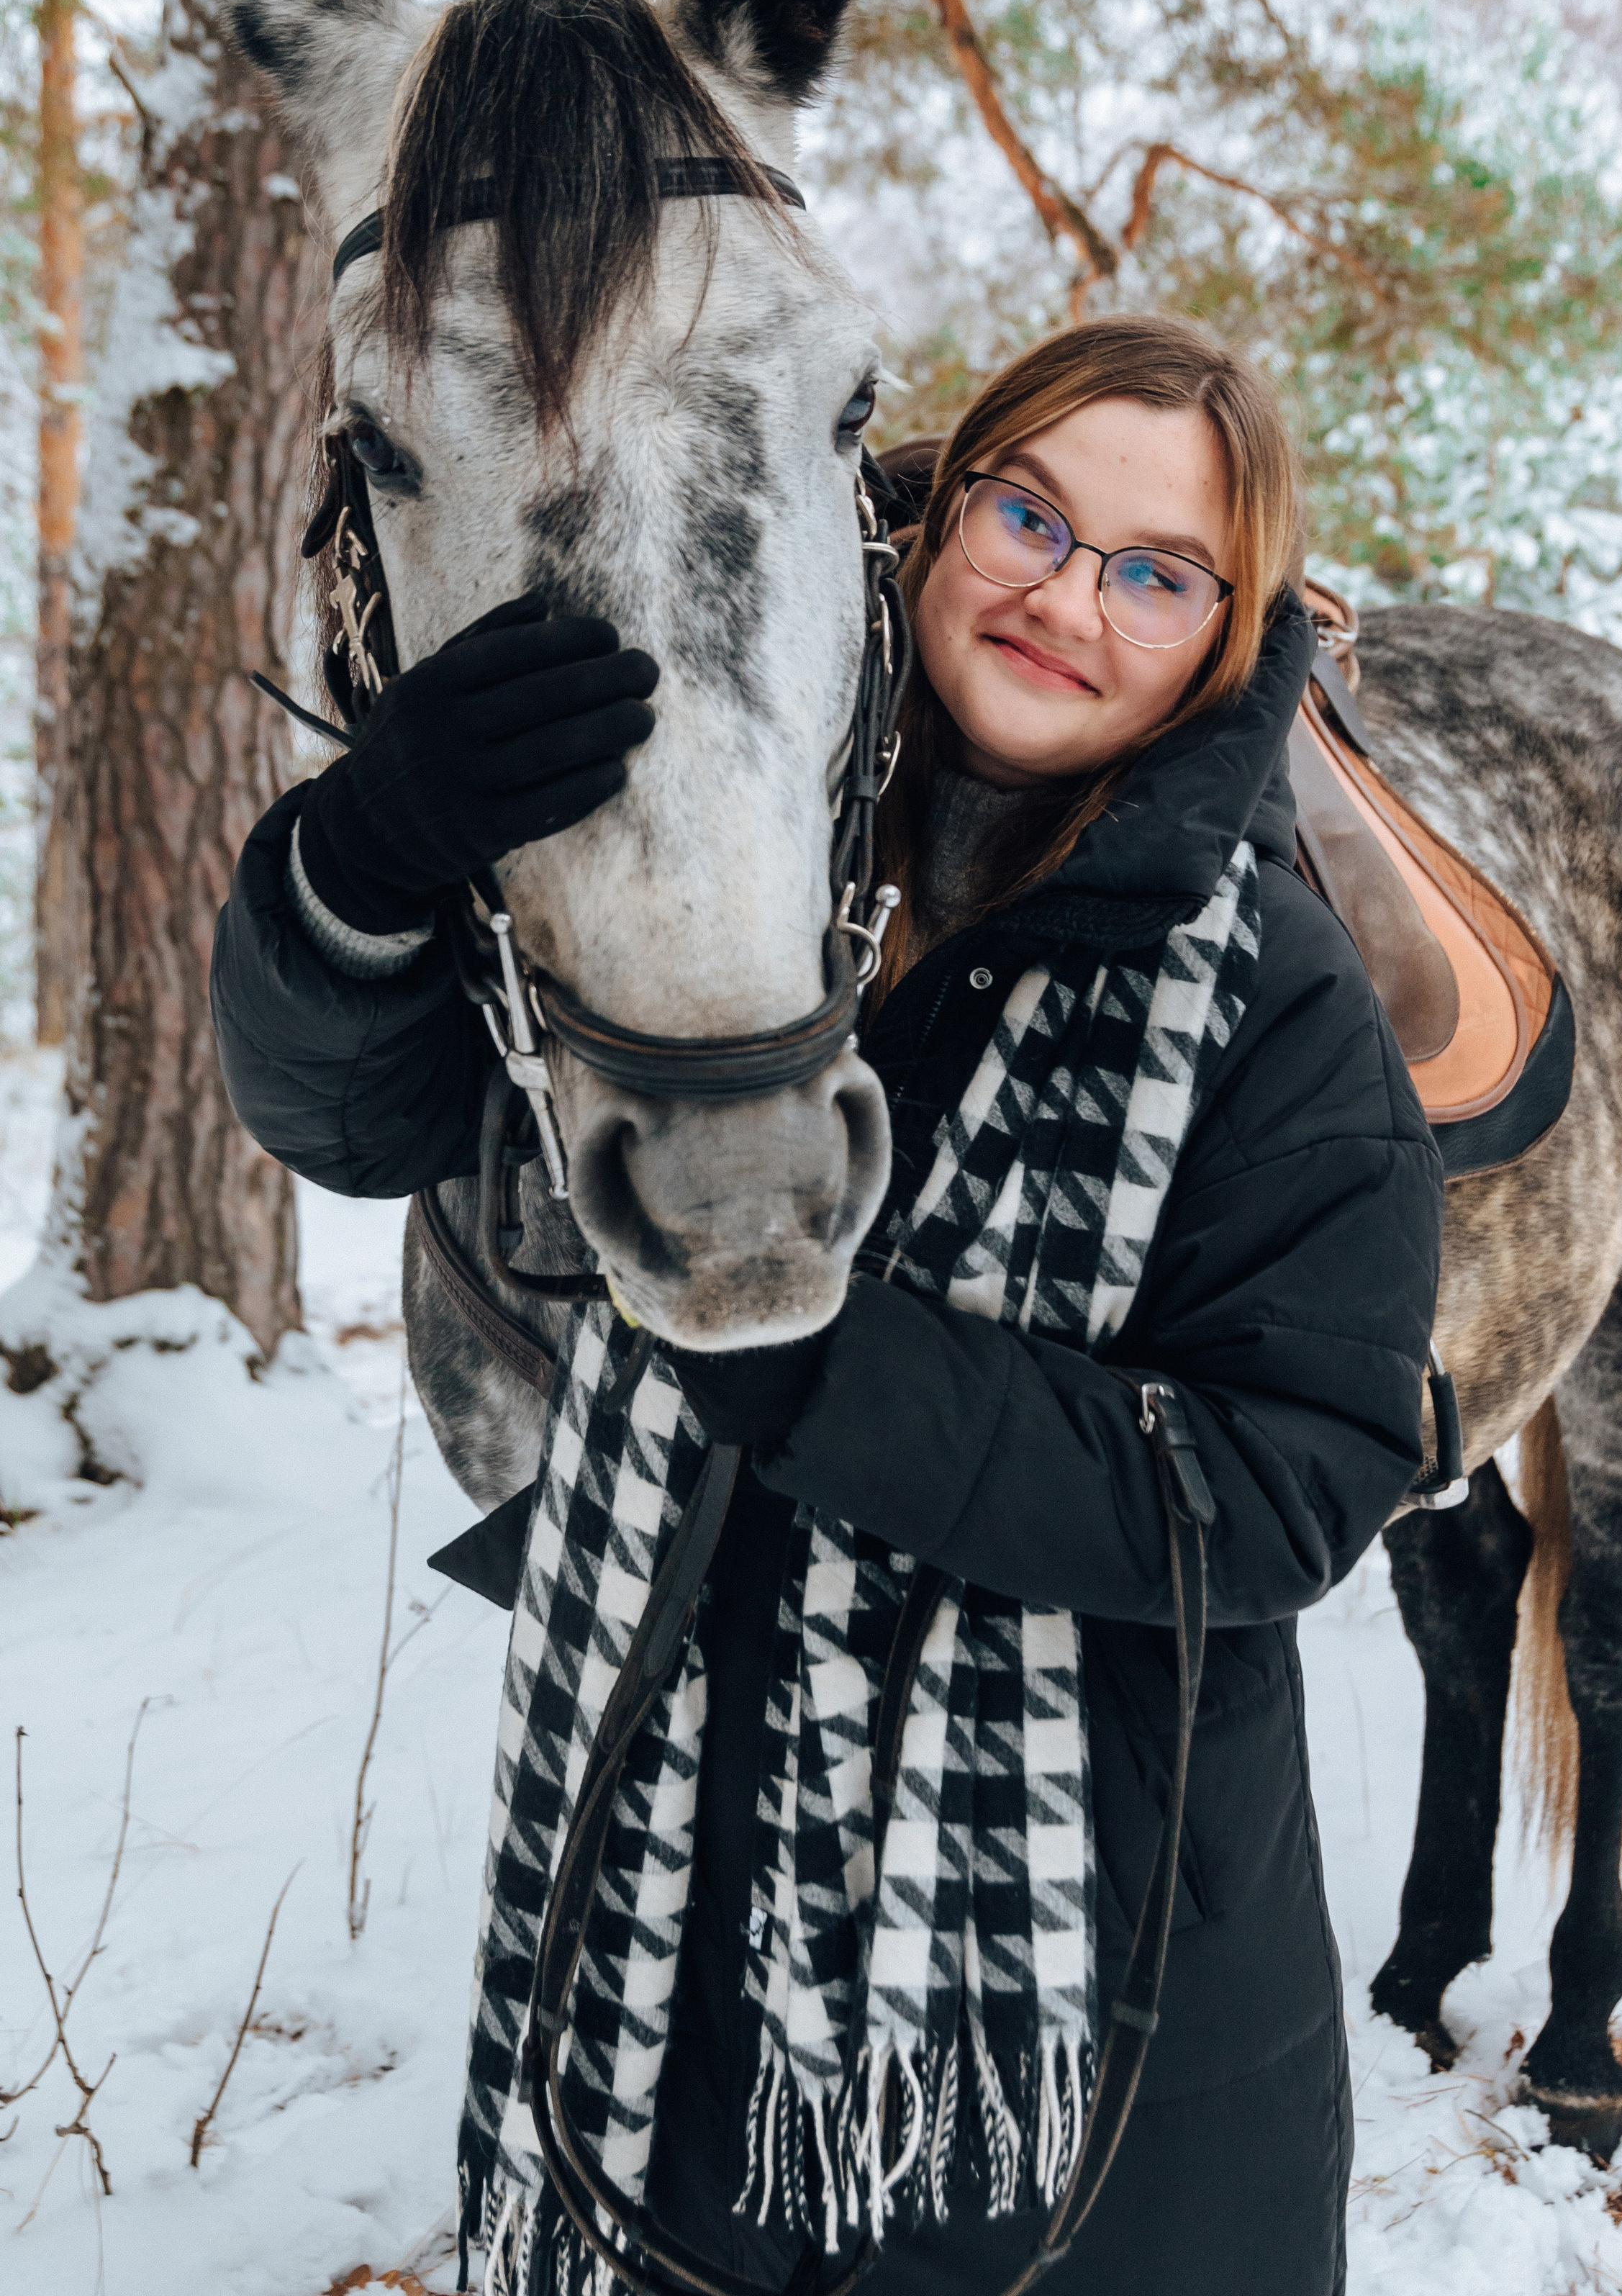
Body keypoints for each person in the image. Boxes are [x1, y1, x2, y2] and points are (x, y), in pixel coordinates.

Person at [212, 313, 1442, 2296]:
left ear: (1227, 629)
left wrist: (804, 1351)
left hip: (1084, 2020)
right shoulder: (690, 847)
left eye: (1156, 572)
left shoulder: (1275, 1003)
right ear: (941, 506)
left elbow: (1280, 1490)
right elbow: (359, 1119)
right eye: (1030, 516)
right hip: (673, 1930)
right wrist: (354, 872)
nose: (1067, 598)